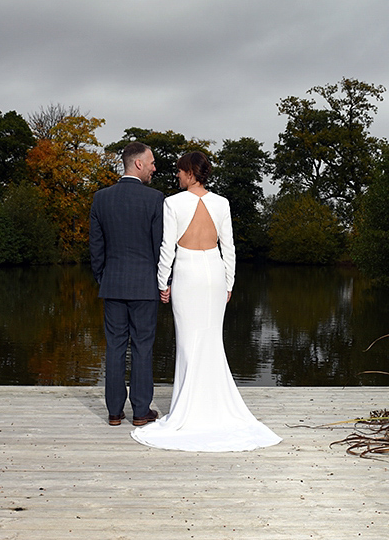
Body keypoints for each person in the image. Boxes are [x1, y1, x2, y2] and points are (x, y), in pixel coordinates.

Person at [131, 151, 281, 451]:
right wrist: (229, 282)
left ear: (189, 172)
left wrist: (163, 282)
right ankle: (213, 406)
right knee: (212, 339)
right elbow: (229, 247)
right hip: (213, 273)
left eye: (178, 171)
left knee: (188, 342)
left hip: (187, 273)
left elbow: (167, 249)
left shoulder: (173, 203)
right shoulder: (221, 203)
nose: (176, 176)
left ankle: (190, 408)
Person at [89, 142, 164, 427]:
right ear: (139, 164)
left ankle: (114, 412)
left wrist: (103, 277)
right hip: (145, 286)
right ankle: (142, 412)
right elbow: (160, 246)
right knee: (143, 347)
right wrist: (163, 282)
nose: (155, 168)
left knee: (115, 347)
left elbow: (96, 247)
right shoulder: (155, 199)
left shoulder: (101, 198)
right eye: (152, 162)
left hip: (113, 284)